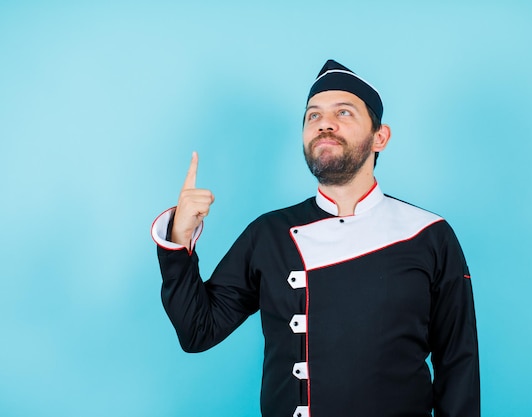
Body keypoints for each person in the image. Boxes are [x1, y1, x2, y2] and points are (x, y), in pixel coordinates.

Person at [151, 59, 480, 417]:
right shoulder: (269, 234)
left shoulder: (430, 235)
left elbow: (458, 365)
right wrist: (179, 236)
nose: (325, 123)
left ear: (380, 137)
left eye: (344, 112)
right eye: (313, 116)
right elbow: (198, 330)